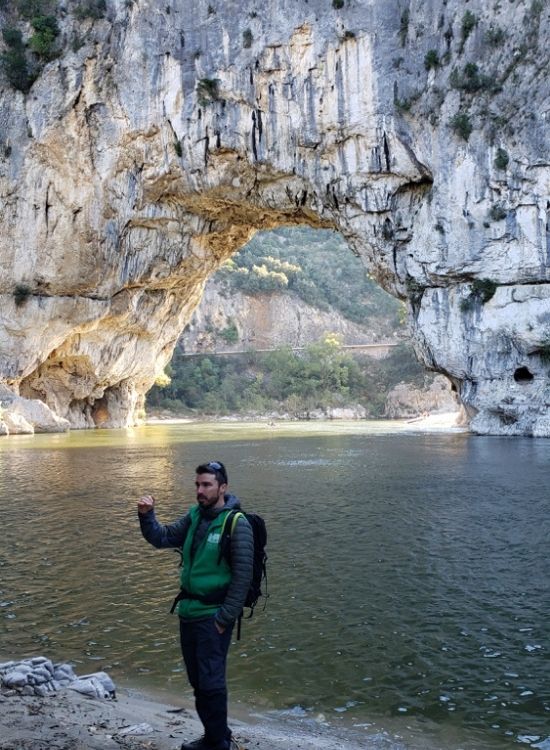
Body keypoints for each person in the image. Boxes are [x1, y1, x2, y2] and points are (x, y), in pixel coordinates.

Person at [137, 461, 253, 750]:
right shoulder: (194, 516)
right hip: (189, 613)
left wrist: (224, 618)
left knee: (210, 681)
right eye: (197, 485)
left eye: (207, 485)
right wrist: (146, 515)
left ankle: (218, 743)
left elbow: (243, 577)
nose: (200, 491)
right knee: (198, 680)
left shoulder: (237, 524)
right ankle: (216, 736)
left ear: (222, 487)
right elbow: (161, 538)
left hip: (212, 616)